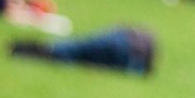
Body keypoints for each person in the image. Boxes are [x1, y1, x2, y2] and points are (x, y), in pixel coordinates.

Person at [10, 24, 158, 74]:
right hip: (126, 53)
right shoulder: (141, 62)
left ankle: (46, 50)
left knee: (79, 49)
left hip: (123, 44)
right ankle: (46, 51)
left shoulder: (138, 39)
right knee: (79, 53)